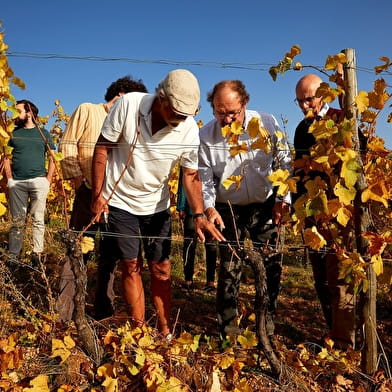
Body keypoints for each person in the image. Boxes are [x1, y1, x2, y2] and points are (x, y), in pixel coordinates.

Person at [91, 69, 225, 338]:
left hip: (157, 206)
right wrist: (98, 196)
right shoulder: (129, 105)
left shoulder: (188, 129)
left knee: (162, 268)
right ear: (161, 98)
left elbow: (190, 175)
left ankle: (165, 330)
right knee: (131, 265)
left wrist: (198, 213)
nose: (181, 119)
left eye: (187, 115)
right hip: (120, 201)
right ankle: (139, 331)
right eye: (177, 112)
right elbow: (102, 147)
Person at [198, 80, 291, 336]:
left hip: (266, 205)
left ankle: (266, 325)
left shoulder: (267, 122)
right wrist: (208, 208)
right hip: (227, 208)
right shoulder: (206, 136)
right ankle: (228, 329)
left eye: (232, 112)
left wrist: (283, 199)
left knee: (272, 266)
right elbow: (204, 179)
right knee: (229, 269)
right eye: (220, 112)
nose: (226, 119)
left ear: (245, 104)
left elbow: (284, 162)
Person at [57, 76, 147, 321]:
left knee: (110, 255)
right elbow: (67, 146)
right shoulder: (88, 110)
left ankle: (103, 310)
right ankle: (65, 311)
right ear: (120, 94)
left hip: (117, 199)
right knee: (78, 251)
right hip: (88, 192)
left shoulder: (130, 124)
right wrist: (78, 182)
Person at [293, 73, 356, 348]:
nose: (305, 105)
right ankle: (334, 333)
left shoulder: (342, 120)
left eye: (309, 98)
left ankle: (347, 343)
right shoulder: (300, 129)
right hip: (311, 213)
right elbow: (298, 171)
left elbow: (359, 154)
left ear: (324, 94)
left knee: (340, 277)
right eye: (299, 101)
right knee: (320, 277)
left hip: (339, 211)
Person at [3, 100, 55, 262]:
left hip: (39, 181)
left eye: (18, 111)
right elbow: (6, 157)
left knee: (38, 219)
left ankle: (37, 254)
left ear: (30, 114)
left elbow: (53, 158)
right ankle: (13, 257)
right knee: (17, 221)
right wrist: (10, 178)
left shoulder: (43, 133)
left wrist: (48, 180)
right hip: (17, 183)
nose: (15, 115)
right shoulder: (13, 133)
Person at [177, 171, 218, 292]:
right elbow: (183, 183)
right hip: (192, 211)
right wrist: (181, 206)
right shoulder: (190, 155)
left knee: (211, 245)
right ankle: (188, 279)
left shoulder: (212, 157)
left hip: (211, 210)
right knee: (189, 244)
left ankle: (210, 282)